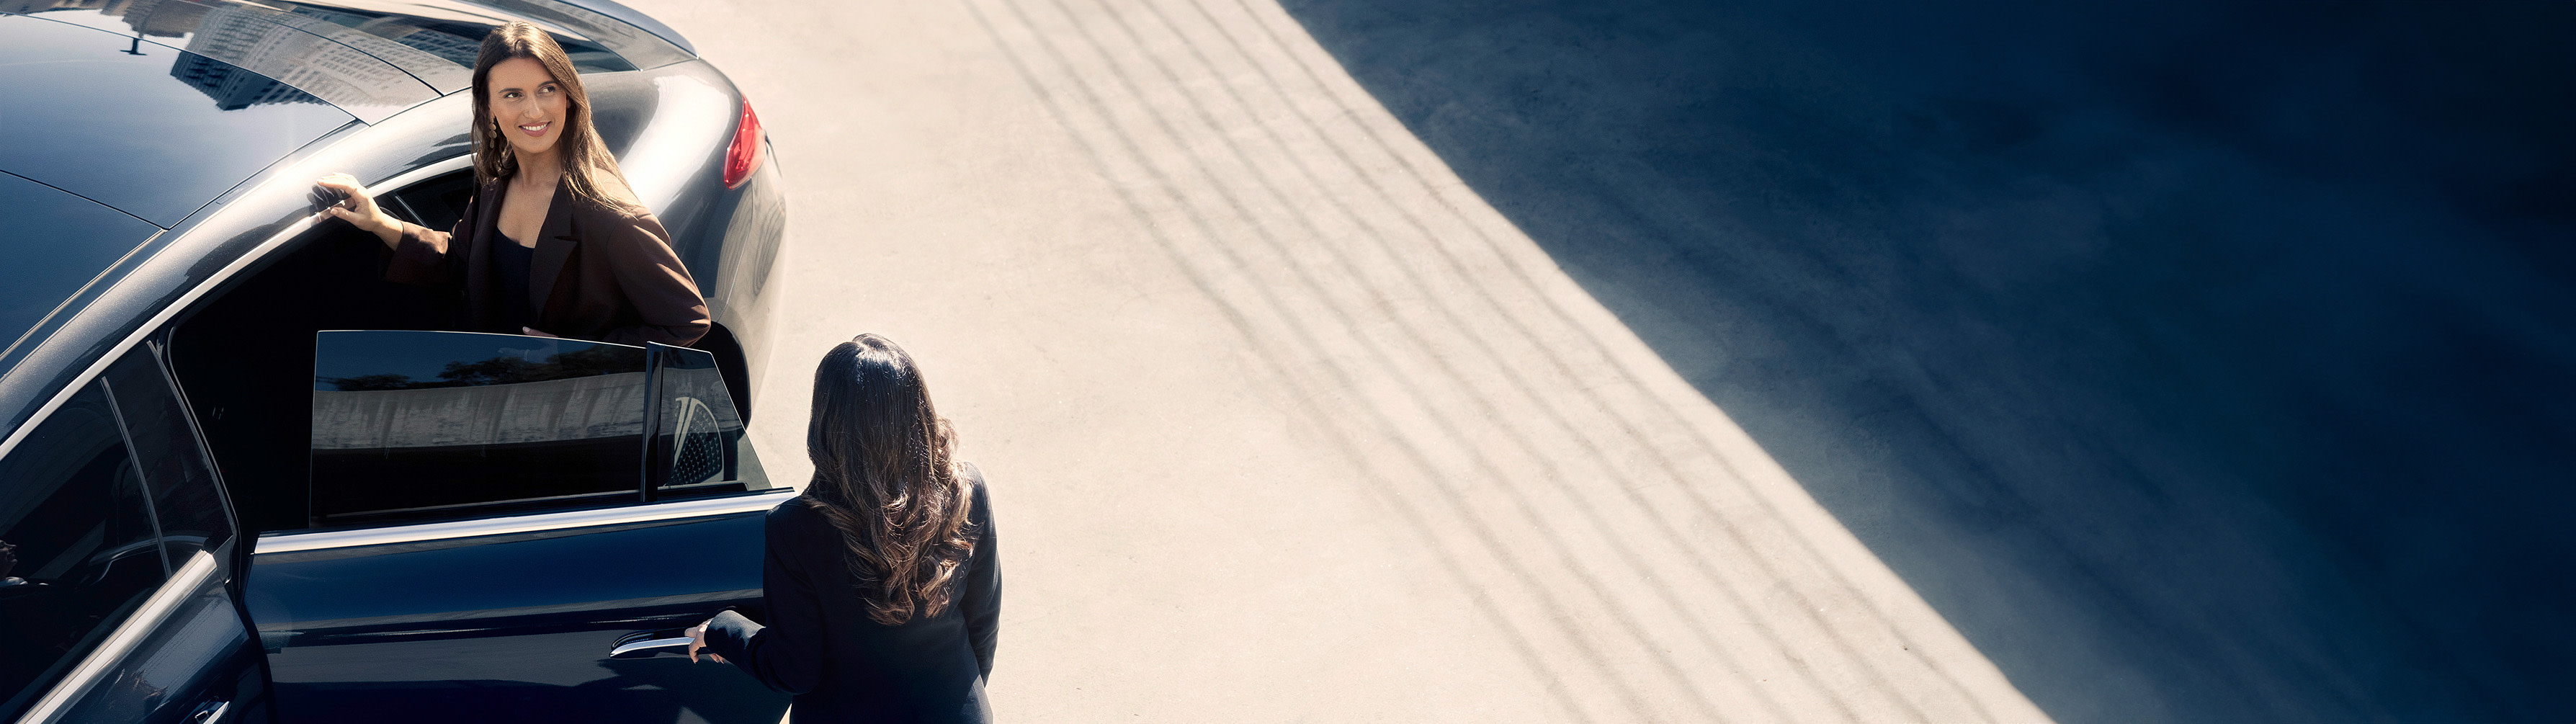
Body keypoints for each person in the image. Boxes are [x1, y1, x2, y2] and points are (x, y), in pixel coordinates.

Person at [313, 22, 708, 346]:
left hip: (566, 417)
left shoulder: (609, 214)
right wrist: (379, 222)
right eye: (513, 95)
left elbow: (685, 322)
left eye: (547, 90)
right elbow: (462, 262)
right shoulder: (496, 183)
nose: (534, 110)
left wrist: (577, 355)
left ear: (568, 97)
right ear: (488, 108)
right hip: (493, 395)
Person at [689, 334, 1000, 723]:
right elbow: (983, 625)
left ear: (825, 424)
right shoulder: (966, 490)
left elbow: (794, 670)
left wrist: (724, 629)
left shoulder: (794, 528)